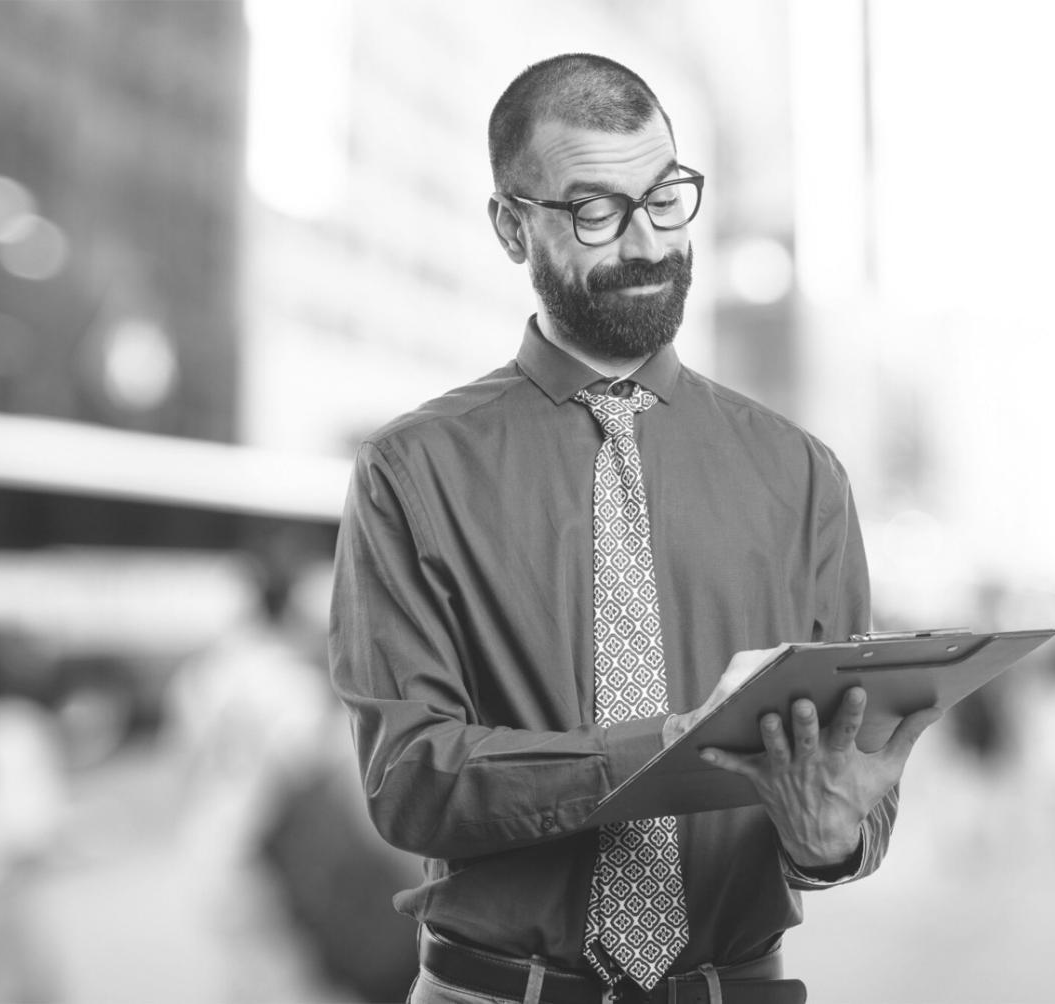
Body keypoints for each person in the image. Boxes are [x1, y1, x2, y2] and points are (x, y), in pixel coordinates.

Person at [329, 53, 941, 1004]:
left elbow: (846, 771)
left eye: (664, 197)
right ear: (510, 224)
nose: (648, 242)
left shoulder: (802, 473)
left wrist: (835, 844)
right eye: (595, 211)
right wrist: (664, 751)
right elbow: (410, 780)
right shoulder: (413, 471)